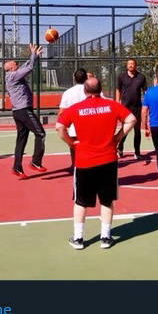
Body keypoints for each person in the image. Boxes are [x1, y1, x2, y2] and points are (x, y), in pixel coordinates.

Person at [56, 78, 136, 250]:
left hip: (84, 161)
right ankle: (105, 237)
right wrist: (118, 137)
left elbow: (59, 127)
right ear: (100, 90)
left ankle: (78, 238)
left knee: (80, 201)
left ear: (84, 91)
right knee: (107, 201)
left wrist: (72, 143)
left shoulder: (76, 108)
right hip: (108, 160)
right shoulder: (112, 105)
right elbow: (131, 119)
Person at [4, 44, 46, 177]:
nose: (17, 65)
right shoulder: (12, 76)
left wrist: (35, 55)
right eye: (15, 64)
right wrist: (33, 55)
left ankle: (17, 167)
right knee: (41, 134)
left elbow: (26, 66)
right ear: (11, 68)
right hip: (23, 111)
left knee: (21, 139)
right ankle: (35, 162)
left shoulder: (13, 75)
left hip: (18, 111)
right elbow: (29, 68)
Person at [57, 68, 88, 173]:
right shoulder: (91, 90)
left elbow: (62, 111)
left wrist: (60, 123)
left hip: (73, 126)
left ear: (74, 78)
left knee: (74, 146)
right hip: (89, 125)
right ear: (86, 78)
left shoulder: (68, 92)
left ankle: (75, 165)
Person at [115, 58, 147, 158]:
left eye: (132, 64)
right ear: (127, 65)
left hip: (137, 108)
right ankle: (120, 149)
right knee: (125, 130)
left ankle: (137, 152)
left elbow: (145, 91)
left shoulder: (141, 77)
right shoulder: (121, 76)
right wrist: (117, 103)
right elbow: (118, 90)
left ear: (135, 65)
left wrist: (147, 104)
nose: (131, 65)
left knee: (137, 131)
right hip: (125, 108)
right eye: (129, 64)